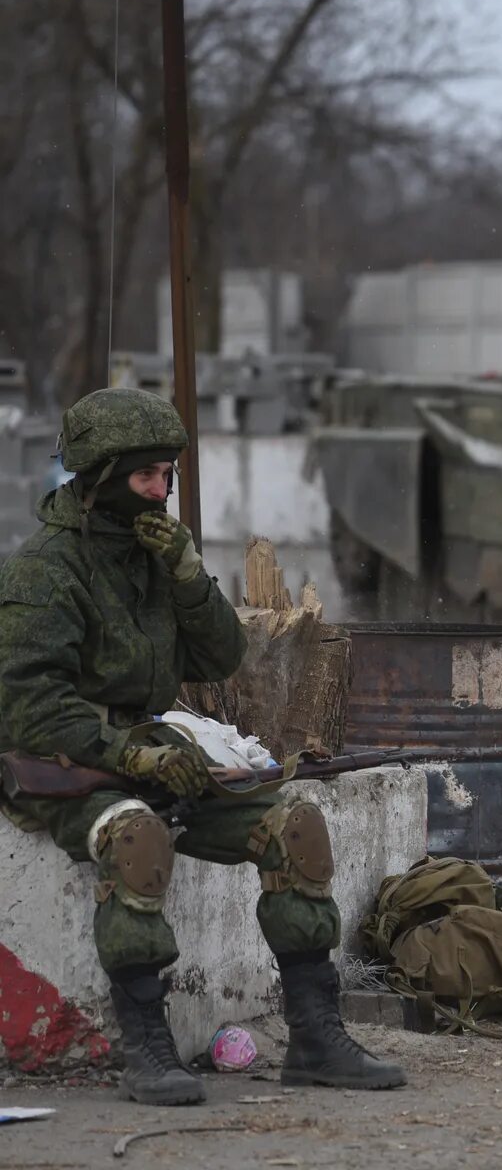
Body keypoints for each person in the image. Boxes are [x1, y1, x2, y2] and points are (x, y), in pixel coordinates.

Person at [0, 387, 406, 1105]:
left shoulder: (157, 557)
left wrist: (189, 575)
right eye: (145, 477)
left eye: (168, 475)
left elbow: (220, 657)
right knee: (137, 839)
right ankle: (147, 1049)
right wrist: (128, 757)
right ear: (97, 477)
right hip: (65, 766)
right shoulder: (44, 570)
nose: (161, 491)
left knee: (296, 828)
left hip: (157, 750)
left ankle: (314, 1035)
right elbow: (31, 706)